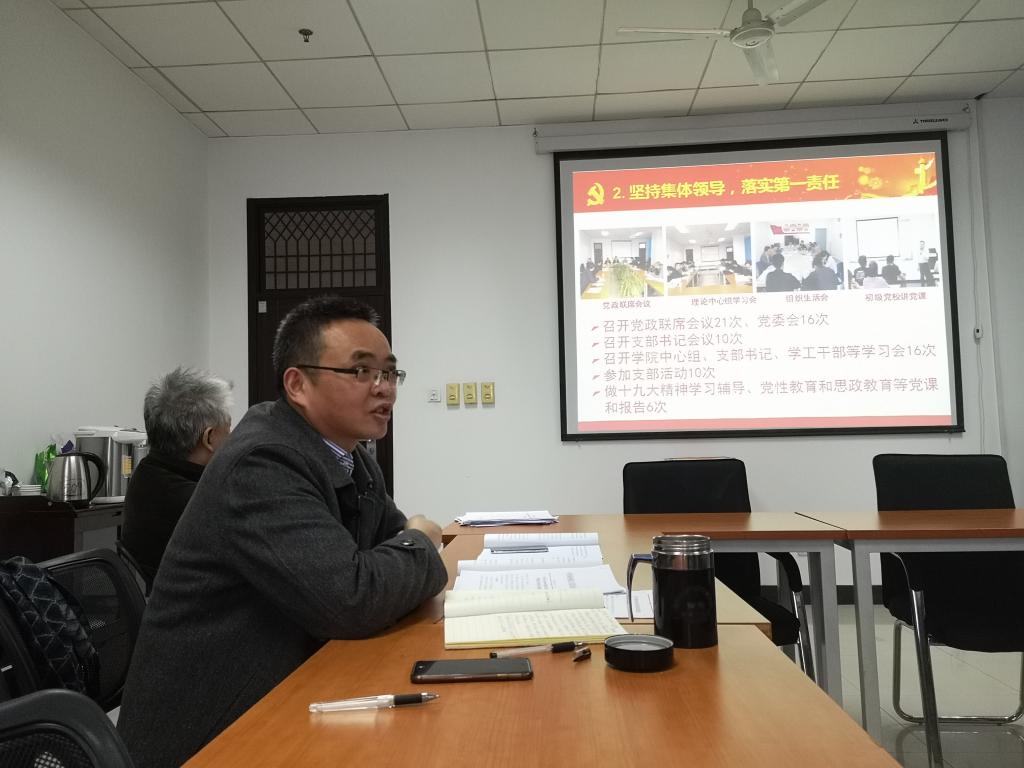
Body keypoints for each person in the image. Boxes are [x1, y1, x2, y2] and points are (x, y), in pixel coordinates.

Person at [118, 297, 448, 768]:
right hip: (210, 735)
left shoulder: (351, 456)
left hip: (289, 693)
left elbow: (388, 559)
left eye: (390, 373)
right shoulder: (262, 462)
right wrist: (421, 539)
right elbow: (353, 598)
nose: (384, 389)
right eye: (361, 371)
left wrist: (408, 548)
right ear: (298, 384)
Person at [121, 367, 233, 585]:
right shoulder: (202, 504)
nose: (232, 438)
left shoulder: (146, 473)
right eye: (228, 430)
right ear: (209, 438)